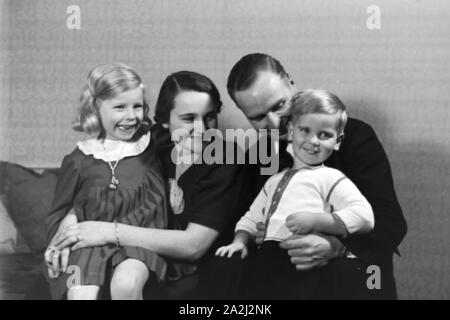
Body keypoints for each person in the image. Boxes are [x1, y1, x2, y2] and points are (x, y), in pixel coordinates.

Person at [49, 70, 247, 299]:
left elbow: (195, 246)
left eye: (210, 116)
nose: (202, 130)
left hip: (205, 269)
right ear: (164, 121)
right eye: (188, 118)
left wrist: (107, 231)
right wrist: (72, 222)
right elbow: (105, 184)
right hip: (147, 257)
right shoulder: (150, 143)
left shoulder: (227, 156)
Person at [226, 53, 407, 299]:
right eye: (257, 117)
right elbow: (247, 222)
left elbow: (390, 221)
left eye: (279, 105)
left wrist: (338, 248)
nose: (275, 122)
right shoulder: (258, 155)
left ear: (291, 83)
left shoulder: (354, 135)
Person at [216, 89, 374, 299]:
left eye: (324, 134)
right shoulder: (273, 180)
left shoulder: (331, 178)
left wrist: (318, 221)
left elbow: (364, 216)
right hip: (266, 263)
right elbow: (251, 218)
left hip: (302, 263)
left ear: (338, 141)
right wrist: (240, 241)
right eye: (305, 130)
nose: (313, 140)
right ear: (291, 131)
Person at [44, 63, 168, 300]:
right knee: (79, 294)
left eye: (138, 106)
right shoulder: (78, 160)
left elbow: (187, 138)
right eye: (120, 107)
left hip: (138, 243)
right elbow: (58, 212)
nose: (131, 116)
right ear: (95, 109)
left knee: (127, 283)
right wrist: (60, 239)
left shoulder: (152, 144)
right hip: (89, 246)